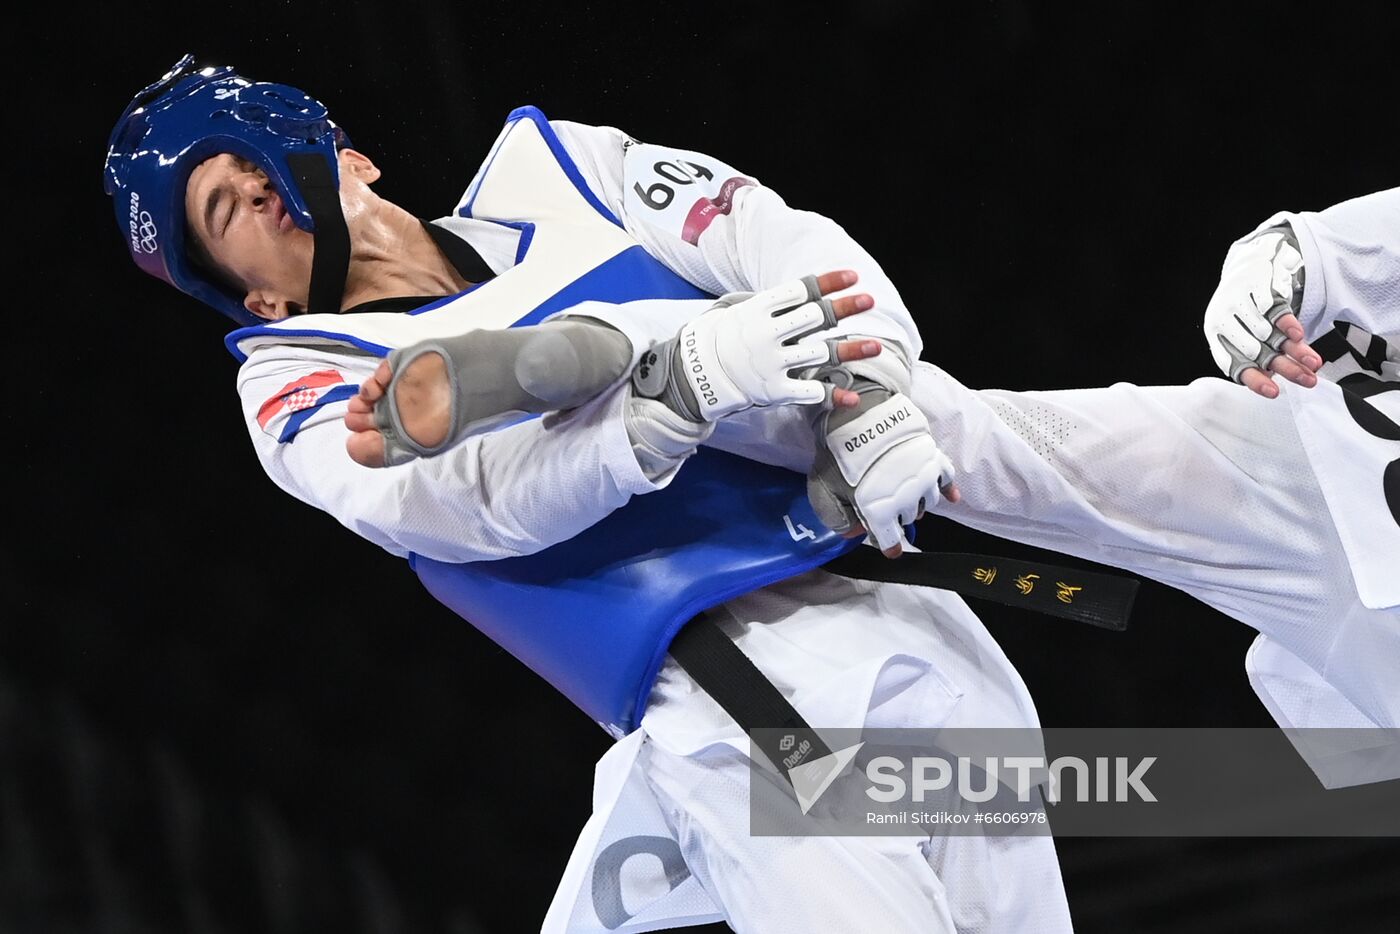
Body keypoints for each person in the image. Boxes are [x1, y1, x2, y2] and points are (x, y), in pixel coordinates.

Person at [106, 56, 1065, 933]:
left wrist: (873, 386)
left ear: (356, 161)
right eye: (222, 209)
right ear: (258, 300)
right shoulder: (301, 376)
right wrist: (672, 395)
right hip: (736, 700)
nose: (257, 189)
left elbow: (783, 242)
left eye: (253, 162)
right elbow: (466, 502)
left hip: (907, 605)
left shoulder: (561, 172)